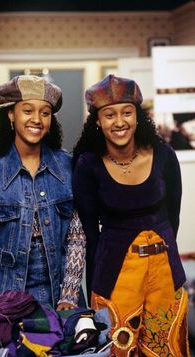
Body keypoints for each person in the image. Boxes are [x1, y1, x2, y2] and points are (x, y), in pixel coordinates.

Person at [72, 74, 189, 356]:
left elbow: (173, 216)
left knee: (168, 347)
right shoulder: (88, 164)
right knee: (119, 349)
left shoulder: (164, 155)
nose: (120, 122)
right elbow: (90, 235)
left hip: (165, 273)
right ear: (97, 121)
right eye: (109, 115)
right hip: (115, 276)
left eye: (127, 112)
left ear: (138, 116)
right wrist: (92, 298)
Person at [0, 74, 86, 311]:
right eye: (28, 110)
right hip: (7, 295)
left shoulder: (68, 166)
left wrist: (69, 296)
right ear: (11, 114)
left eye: (45, 113)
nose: (37, 119)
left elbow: (77, 237)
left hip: (62, 291)